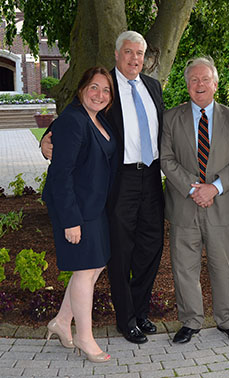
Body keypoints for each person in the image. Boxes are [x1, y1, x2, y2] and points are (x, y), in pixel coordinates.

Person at [41, 31, 164, 344]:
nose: (134, 59)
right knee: (121, 251)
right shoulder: (103, 85)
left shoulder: (152, 85)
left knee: (151, 247)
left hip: (151, 176)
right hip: (119, 180)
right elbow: (75, 113)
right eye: (128, 52)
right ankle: (126, 320)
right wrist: (47, 139)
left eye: (139, 53)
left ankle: (141, 312)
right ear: (116, 53)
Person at [161, 57, 229, 344]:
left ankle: (227, 320)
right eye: (194, 80)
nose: (200, 84)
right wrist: (194, 188)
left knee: (223, 267)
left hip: (221, 207)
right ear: (187, 85)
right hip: (184, 206)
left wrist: (214, 188)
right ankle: (190, 321)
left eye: (205, 79)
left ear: (215, 84)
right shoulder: (171, 117)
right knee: (184, 267)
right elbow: (167, 158)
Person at [43, 66, 116, 362]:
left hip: (94, 208)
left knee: (95, 268)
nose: (100, 94)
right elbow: (60, 175)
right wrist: (71, 220)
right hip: (75, 209)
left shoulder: (98, 120)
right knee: (86, 271)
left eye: (106, 90)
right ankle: (85, 339)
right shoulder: (72, 121)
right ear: (82, 88)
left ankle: (62, 321)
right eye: (94, 87)